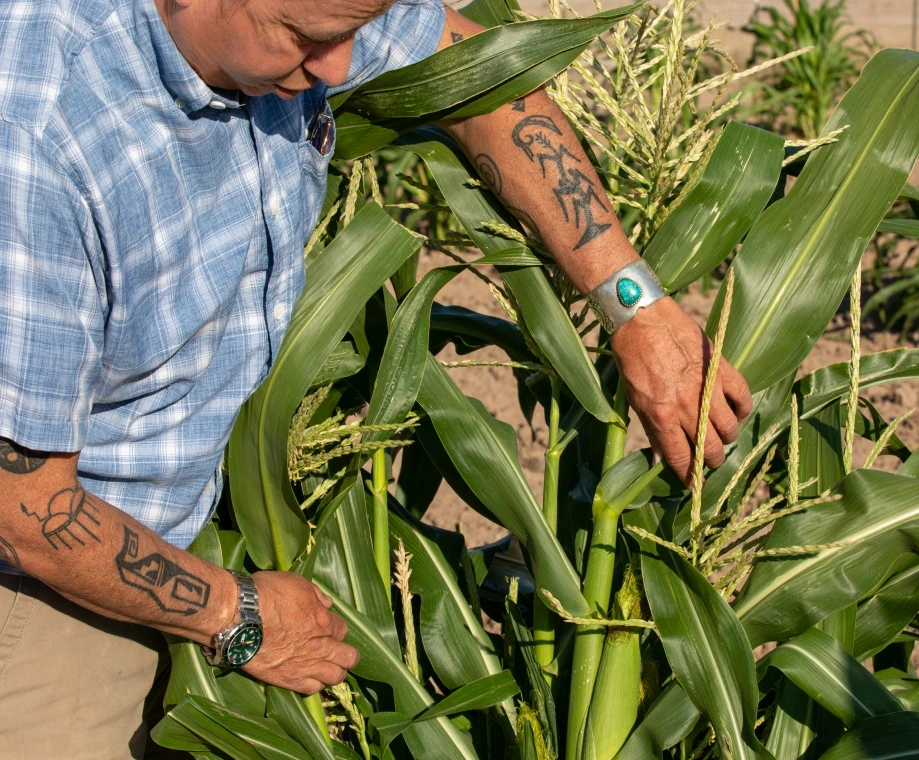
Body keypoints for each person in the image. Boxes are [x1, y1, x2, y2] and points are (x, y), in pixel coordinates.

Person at [0, 0, 754, 756]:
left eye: (355, 32)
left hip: (191, 507)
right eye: (305, 38)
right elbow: (25, 509)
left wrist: (634, 304)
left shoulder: (308, 15)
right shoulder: (36, 141)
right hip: (44, 584)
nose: (341, 68)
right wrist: (235, 614)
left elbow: (482, 85)